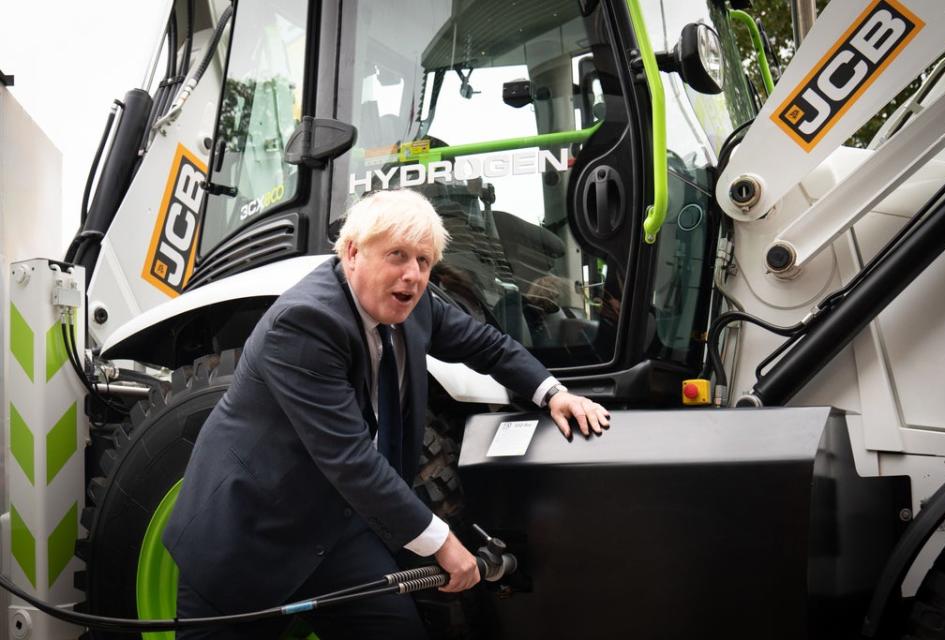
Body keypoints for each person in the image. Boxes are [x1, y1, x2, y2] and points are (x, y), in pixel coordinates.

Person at [163, 189, 611, 639]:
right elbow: (350, 459)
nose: (413, 275)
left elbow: (485, 344)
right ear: (353, 252)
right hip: (249, 538)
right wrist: (443, 544)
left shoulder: (415, 305)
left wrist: (553, 393)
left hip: (333, 530)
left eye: (423, 260)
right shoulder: (305, 323)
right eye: (397, 255)